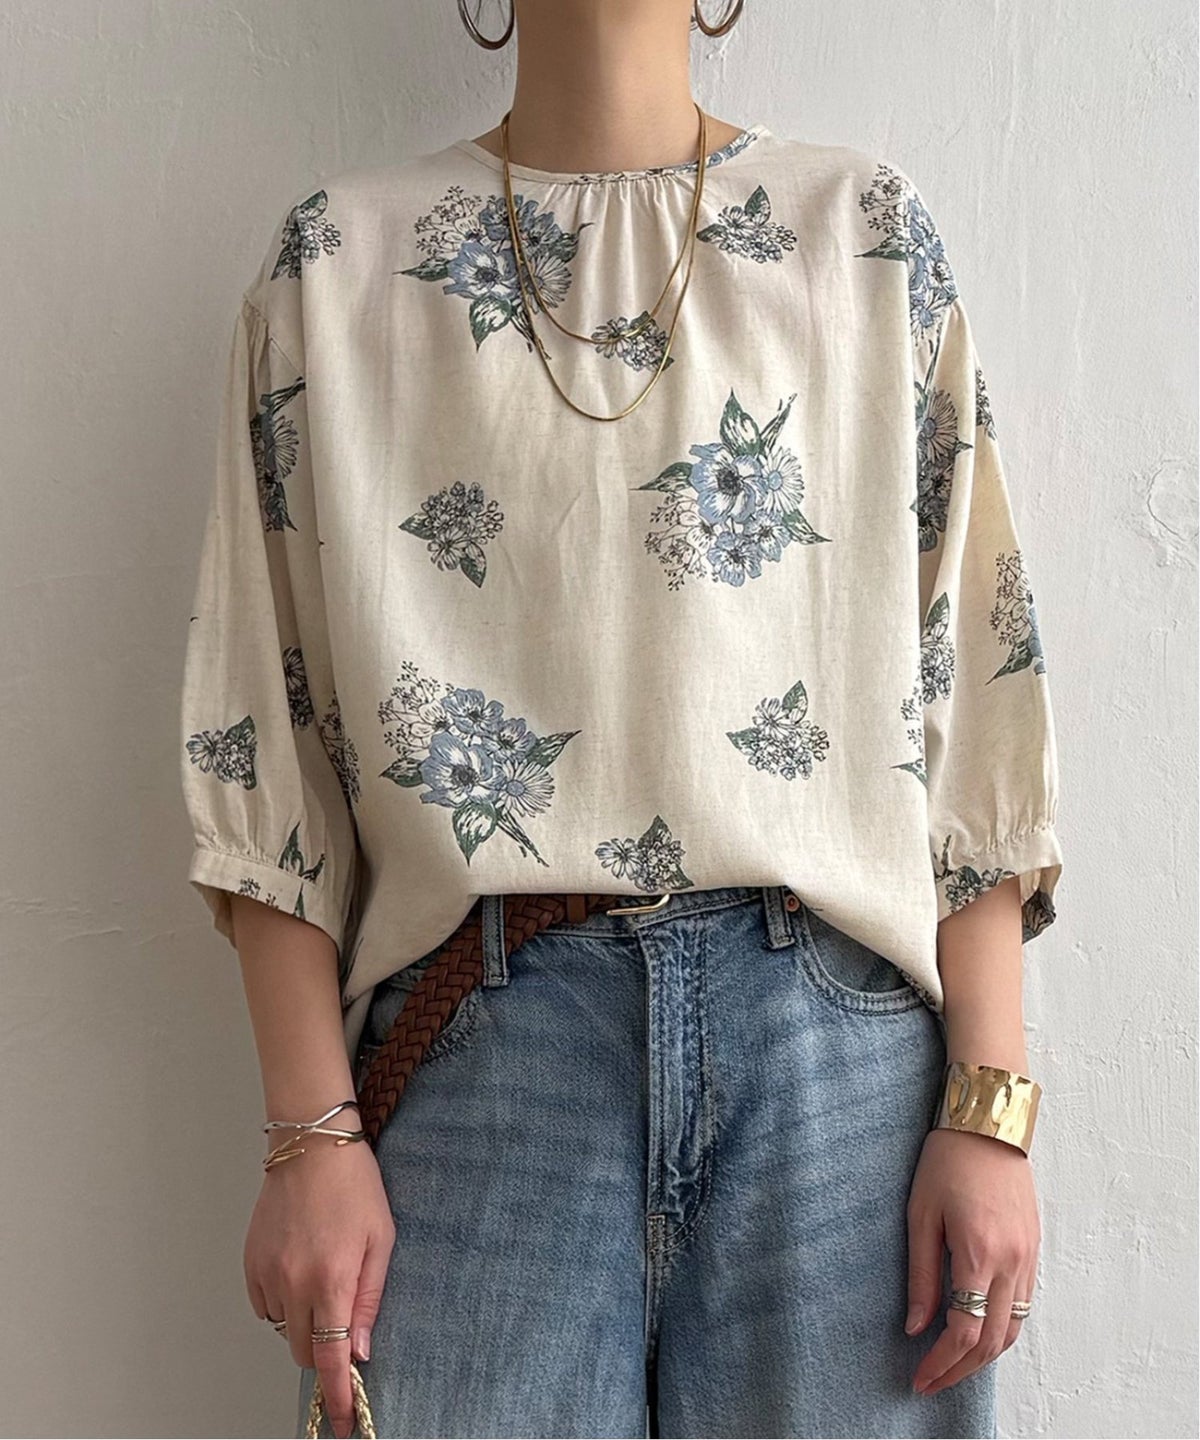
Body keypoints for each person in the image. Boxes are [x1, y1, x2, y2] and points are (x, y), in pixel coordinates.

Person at [178, 1, 1065, 1435]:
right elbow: (260, 730)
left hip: (831, 1067)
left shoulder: (864, 236)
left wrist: (992, 1105)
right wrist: (307, 1135)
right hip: (479, 1057)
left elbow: (971, 688)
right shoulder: (337, 266)